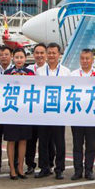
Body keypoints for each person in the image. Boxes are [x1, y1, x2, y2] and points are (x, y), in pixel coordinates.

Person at [36, 42, 70, 179]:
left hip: (58, 112)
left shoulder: (65, 72)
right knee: (43, 142)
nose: (51, 55)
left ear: (59, 55)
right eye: (48, 53)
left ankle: (59, 168)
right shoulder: (39, 72)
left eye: (53, 53)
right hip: (43, 111)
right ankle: (45, 167)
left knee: (59, 142)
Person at [4, 48, 34, 179]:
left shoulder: (30, 73)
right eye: (16, 57)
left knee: (23, 140)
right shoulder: (7, 73)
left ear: (25, 59)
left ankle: (21, 167)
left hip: (25, 111)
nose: (19, 60)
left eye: (21, 57)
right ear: (13, 58)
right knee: (11, 141)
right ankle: (12, 168)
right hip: (11, 110)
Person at [70, 49, 95, 180]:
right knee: (77, 145)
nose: (85, 61)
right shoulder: (73, 75)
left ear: (92, 60)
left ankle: (89, 170)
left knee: (91, 145)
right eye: (82, 58)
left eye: (87, 58)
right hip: (77, 116)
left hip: (93, 116)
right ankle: (77, 170)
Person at [24, 42, 48, 175]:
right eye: (37, 53)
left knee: (46, 141)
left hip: (45, 111)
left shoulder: (50, 70)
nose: (39, 56)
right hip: (31, 111)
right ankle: (30, 164)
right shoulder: (27, 70)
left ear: (45, 55)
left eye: (42, 53)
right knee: (30, 141)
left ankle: (47, 164)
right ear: (33, 54)